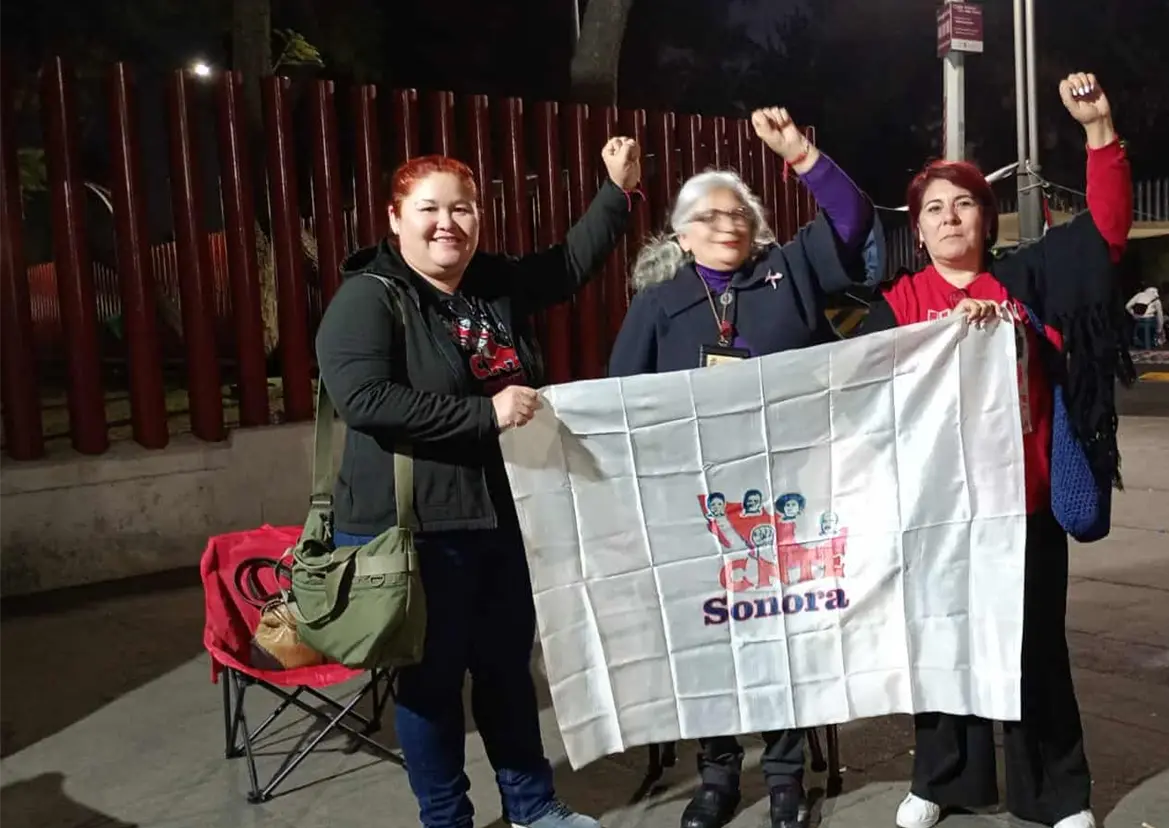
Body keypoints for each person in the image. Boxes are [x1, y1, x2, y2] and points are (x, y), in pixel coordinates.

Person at [314, 139, 642, 828]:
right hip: (414, 529)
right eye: (428, 208)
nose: (447, 223)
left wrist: (616, 190)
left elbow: (564, 268)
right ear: (395, 217)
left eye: (461, 209)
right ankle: (447, 819)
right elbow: (364, 398)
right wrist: (483, 413)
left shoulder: (486, 288)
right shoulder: (368, 298)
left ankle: (531, 807)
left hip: (500, 515)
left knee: (504, 671)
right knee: (430, 686)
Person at [855, 71, 1134, 828]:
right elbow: (848, 396)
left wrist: (1098, 132)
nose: (950, 218)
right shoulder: (897, 306)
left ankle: (1054, 793)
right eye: (934, 209)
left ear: (989, 216)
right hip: (937, 516)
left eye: (965, 203)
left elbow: (1106, 232)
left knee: (1035, 648)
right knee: (942, 646)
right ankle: (942, 779)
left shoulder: (1027, 279)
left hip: (1026, 502)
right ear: (917, 230)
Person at [608, 106, 874, 828]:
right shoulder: (660, 304)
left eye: (738, 214)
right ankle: (718, 774)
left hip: (786, 498)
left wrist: (797, 151)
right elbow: (621, 400)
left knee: (779, 631)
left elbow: (851, 219)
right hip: (695, 506)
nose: (726, 224)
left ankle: (785, 775)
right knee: (709, 636)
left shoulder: (788, 269)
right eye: (709, 215)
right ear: (682, 232)